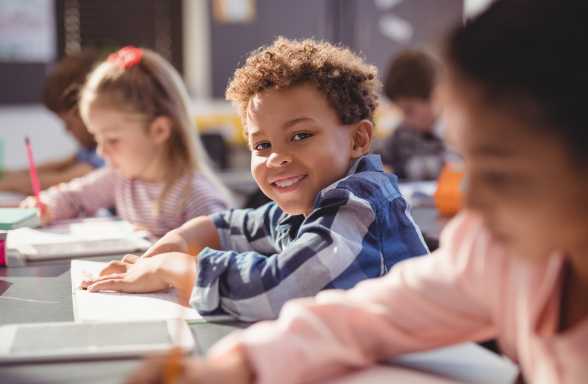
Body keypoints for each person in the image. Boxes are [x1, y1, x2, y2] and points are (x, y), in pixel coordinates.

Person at [120, 1, 588, 384]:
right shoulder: (494, 250)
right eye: (466, 160)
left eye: (502, 170)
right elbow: (365, 316)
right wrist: (237, 370)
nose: (470, 200)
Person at [82, 37, 429, 320]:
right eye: (262, 144)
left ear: (358, 139)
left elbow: (278, 290)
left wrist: (175, 267)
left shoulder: (358, 207)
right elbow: (234, 226)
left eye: (300, 135)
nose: (276, 157)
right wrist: (177, 241)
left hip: (417, 379)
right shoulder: (308, 202)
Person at [21, 46, 231, 238]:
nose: (102, 152)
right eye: (97, 139)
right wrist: (47, 206)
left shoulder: (197, 198)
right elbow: (74, 197)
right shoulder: (122, 178)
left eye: (112, 140)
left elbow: (217, 267)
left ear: (159, 130)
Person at [0, 50, 105, 195]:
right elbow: (61, 164)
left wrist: (12, 183)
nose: (66, 130)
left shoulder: (107, 150)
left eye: (68, 123)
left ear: (86, 113)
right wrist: (12, 174)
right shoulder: (89, 148)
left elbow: (68, 179)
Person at [380, 49, 447, 181]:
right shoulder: (402, 134)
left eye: (409, 110)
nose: (405, 120)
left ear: (436, 98)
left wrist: (398, 170)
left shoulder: (456, 135)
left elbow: (453, 168)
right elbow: (380, 162)